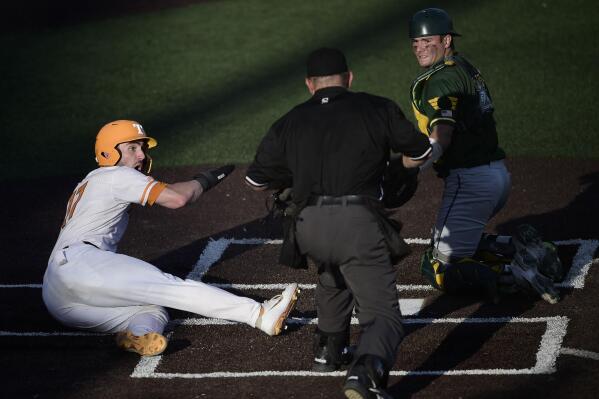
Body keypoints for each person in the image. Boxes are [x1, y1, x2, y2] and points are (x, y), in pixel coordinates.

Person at [245, 48, 431, 399]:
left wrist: (297, 177)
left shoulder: (291, 120)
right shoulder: (377, 108)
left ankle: (328, 350)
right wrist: (391, 170)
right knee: (383, 317)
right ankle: (365, 375)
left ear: (309, 85)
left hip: (307, 227)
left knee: (334, 270)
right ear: (349, 78)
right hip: (357, 222)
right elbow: (420, 152)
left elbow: (256, 180)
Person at [42, 120, 299, 357]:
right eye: (132, 148)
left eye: (142, 148)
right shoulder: (116, 176)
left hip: (58, 296)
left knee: (152, 311)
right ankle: (260, 314)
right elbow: (178, 198)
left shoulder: (90, 181)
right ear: (110, 152)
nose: (142, 155)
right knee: (170, 287)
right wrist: (207, 179)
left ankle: (140, 335)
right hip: (82, 264)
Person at [407, 8, 563, 304]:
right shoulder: (463, 67)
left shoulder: (442, 81)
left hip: (471, 182)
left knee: (438, 266)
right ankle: (523, 249)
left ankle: (518, 274)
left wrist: (414, 167)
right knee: (453, 242)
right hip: (496, 175)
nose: (419, 47)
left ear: (446, 39)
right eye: (415, 42)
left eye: (427, 41)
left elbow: (443, 134)